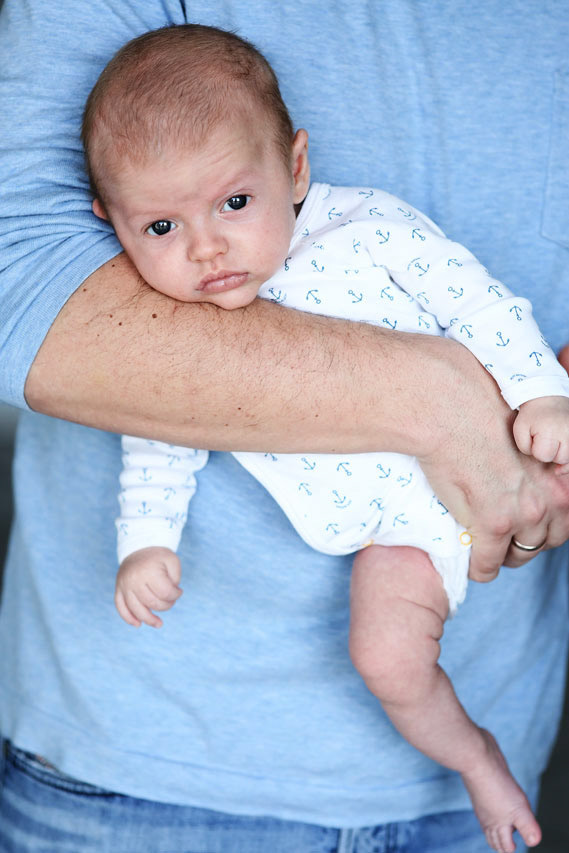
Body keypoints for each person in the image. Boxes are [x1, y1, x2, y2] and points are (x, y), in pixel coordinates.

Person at [1, 3, 569, 852]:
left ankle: (483, 761)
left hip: (449, 524)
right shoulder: (176, 315)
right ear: (109, 221)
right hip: (153, 750)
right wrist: (146, 542)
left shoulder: (367, 229)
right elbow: (157, 441)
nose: (206, 248)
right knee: (387, 657)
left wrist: (541, 395)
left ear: (295, 166)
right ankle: (472, 756)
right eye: (160, 226)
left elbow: (481, 306)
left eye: (235, 201)